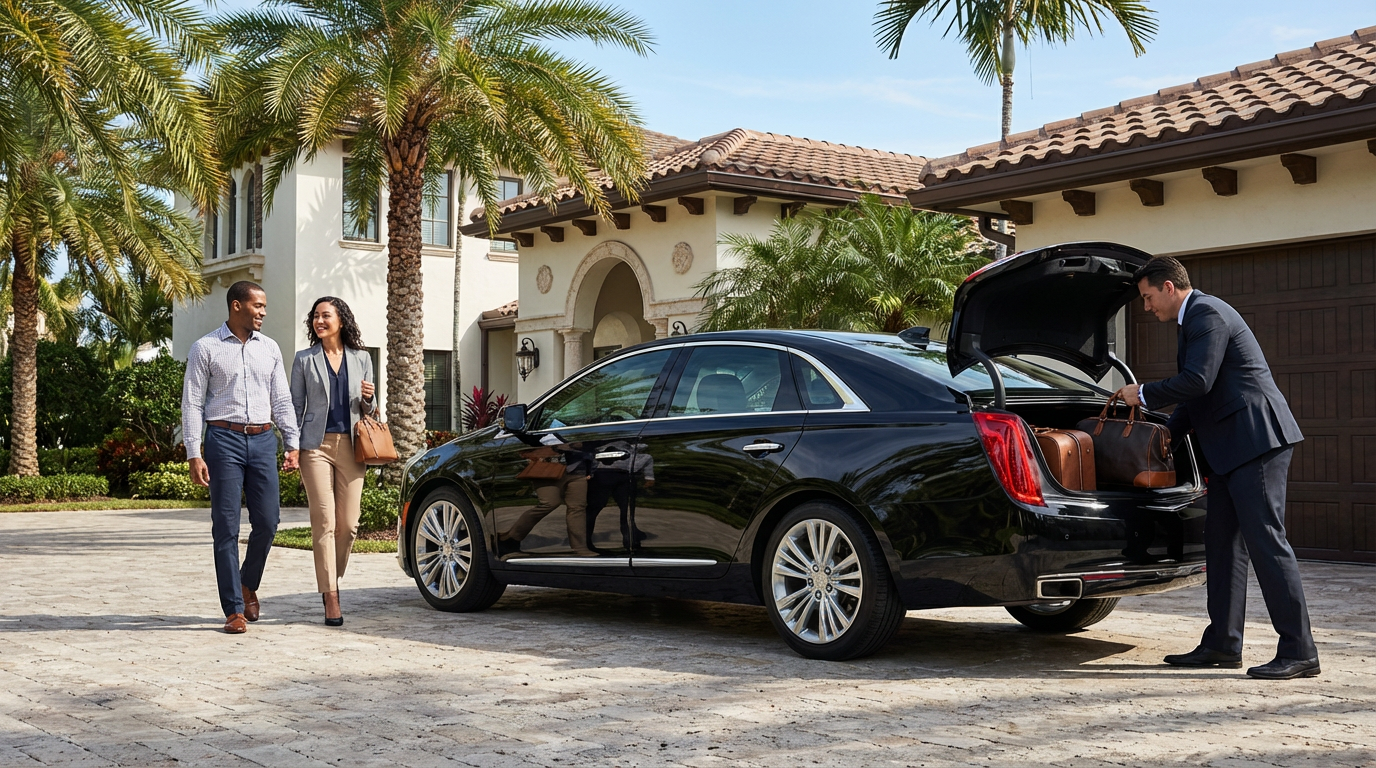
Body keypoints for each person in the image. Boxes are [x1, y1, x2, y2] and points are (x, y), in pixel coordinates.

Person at [1113, 257, 1316, 680]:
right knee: (1221, 544)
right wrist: (1170, 430)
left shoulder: (1207, 313)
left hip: (1256, 443)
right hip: (1228, 452)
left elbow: (1198, 381)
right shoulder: (1193, 322)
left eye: (1148, 298)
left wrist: (1143, 393)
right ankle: (1222, 643)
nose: (1146, 308)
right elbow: (1199, 393)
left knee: (1266, 543)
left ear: (1169, 287)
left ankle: (1300, 651)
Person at [183, 281, 300, 634]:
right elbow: (192, 402)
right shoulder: (205, 348)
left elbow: (281, 400)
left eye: (264, 306)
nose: (263, 312)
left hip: (264, 440)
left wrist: (291, 443)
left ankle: (248, 582)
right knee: (226, 527)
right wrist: (193, 451)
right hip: (223, 440)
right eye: (258, 306)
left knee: (268, 522)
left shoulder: (271, 349)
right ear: (237, 306)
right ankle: (234, 608)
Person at [290, 297, 376, 626]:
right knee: (324, 521)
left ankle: (331, 577)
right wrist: (292, 447)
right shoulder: (304, 360)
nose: (319, 321)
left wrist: (369, 398)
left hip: (352, 447)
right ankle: (331, 596)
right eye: (315, 316)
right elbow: (296, 407)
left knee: (350, 525)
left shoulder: (362, 358)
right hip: (315, 446)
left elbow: (370, 409)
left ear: (341, 320)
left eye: (326, 315)